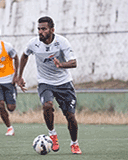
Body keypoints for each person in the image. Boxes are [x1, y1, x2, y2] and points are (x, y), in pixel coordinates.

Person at [17, 16, 82, 154]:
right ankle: (52, 134)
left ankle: (74, 143)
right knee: (47, 105)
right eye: (39, 29)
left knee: (70, 117)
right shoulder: (33, 43)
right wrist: (19, 76)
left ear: (52, 30)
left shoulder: (62, 42)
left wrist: (61, 64)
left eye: (44, 29)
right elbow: (24, 56)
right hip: (45, 82)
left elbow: (74, 62)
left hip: (64, 83)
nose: (40, 32)